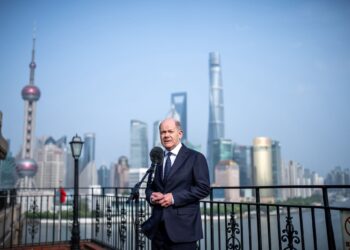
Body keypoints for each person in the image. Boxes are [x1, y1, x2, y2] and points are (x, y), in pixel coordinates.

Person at [144, 118, 210, 250]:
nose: (166, 135)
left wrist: (173, 198)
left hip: (183, 231)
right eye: (163, 132)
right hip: (158, 231)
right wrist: (152, 196)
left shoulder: (196, 158)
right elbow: (149, 187)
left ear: (180, 134)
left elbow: (203, 188)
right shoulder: (158, 159)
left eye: (170, 131)